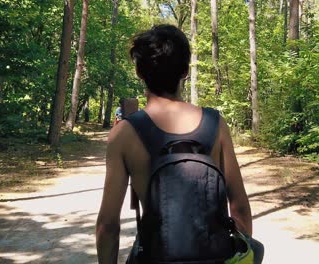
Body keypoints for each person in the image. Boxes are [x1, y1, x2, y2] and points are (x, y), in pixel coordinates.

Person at [96, 24, 263, 264]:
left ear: (139, 73)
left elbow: (108, 226)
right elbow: (239, 208)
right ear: (185, 71)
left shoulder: (123, 134)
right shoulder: (216, 124)